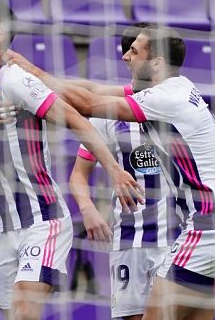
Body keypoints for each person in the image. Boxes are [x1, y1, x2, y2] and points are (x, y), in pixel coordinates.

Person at [6, 25, 215, 320]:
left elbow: (87, 103)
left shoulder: (166, 99)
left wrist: (29, 72)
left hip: (208, 229)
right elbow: (92, 90)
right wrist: (33, 77)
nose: (125, 57)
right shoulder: (177, 88)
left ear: (156, 63)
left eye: (134, 51)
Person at [0, 0, 144, 320]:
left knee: (24, 313)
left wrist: (114, 171)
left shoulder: (16, 80)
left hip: (42, 221)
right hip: (1, 228)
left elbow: (77, 120)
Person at [69, 22, 183, 320]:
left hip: (178, 239)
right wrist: (88, 209)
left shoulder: (182, 107)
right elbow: (79, 173)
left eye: (134, 51)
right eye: (128, 52)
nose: (126, 58)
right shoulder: (108, 113)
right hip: (130, 239)